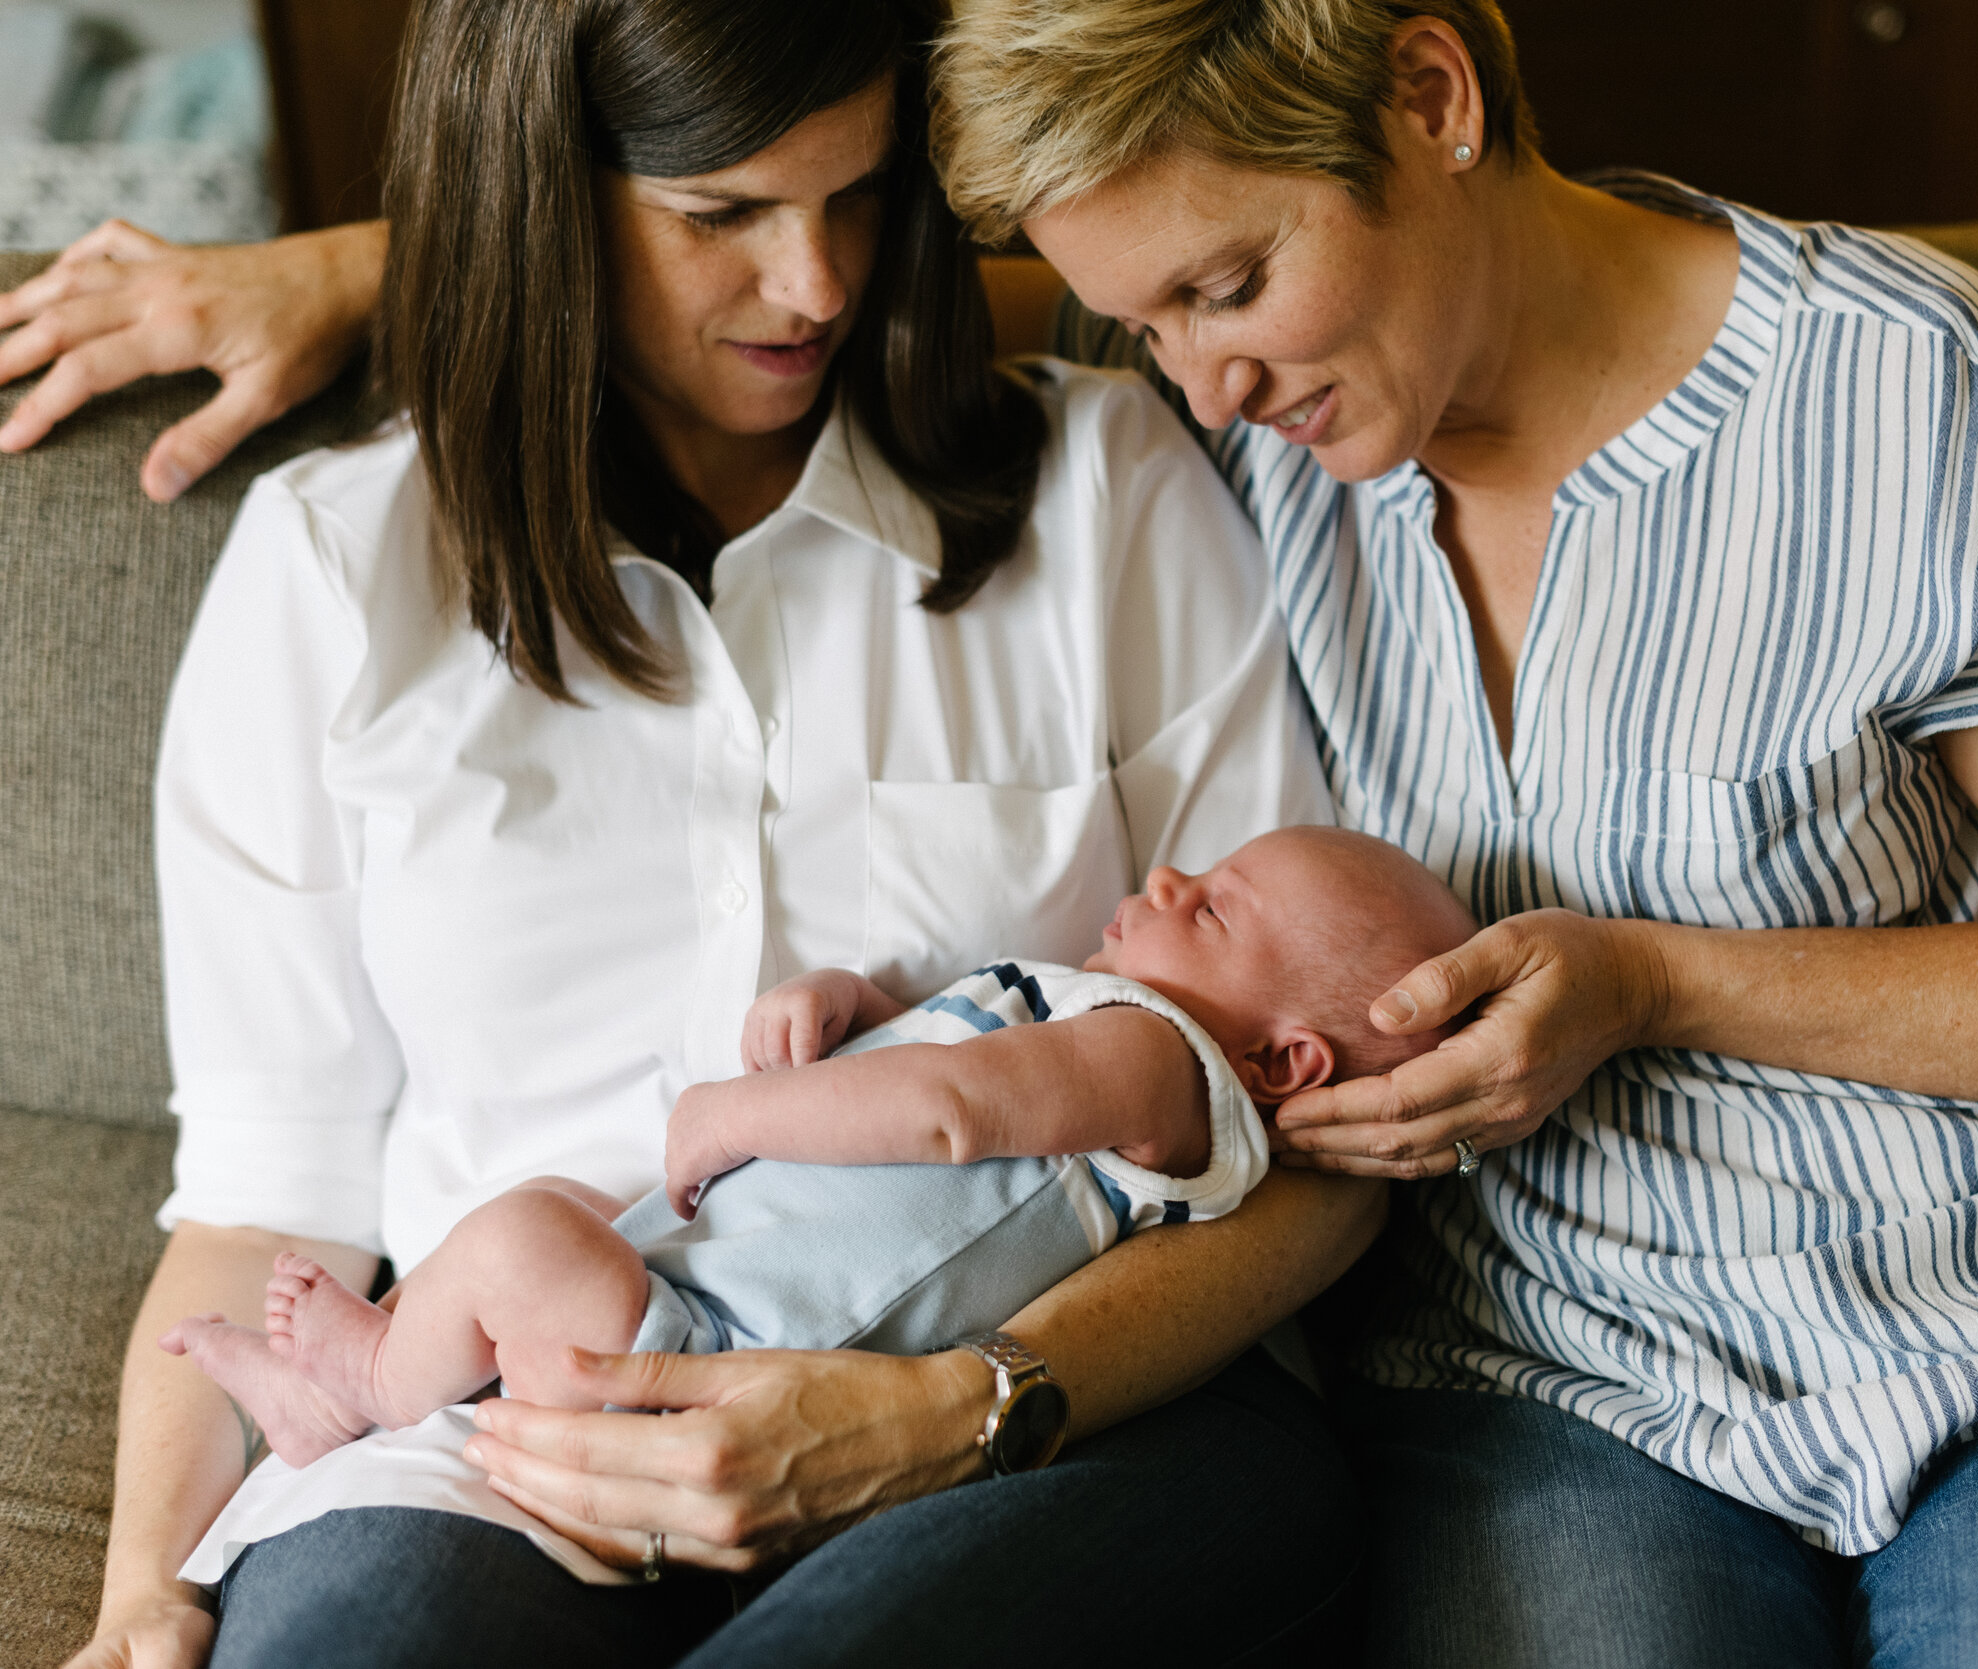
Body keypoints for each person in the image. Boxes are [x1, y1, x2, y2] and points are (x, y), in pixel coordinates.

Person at [0, 3, 1978, 1668]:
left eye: (1232, 287)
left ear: (1437, 95)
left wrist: (1655, 977)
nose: (1201, 366)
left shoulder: (1871, 402)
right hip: (1547, 1372)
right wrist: (377, 261)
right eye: (1144, 318)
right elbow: (773, 240)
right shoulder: (1229, 411)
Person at [16, 2, 1388, 1667]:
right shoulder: (332, 568)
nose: (815, 287)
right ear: (544, 199)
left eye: (860, 195)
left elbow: (1320, 1130)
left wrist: (962, 1405)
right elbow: (260, 1202)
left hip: (1045, 1400)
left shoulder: (1102, 490)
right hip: (507, 1433)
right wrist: (142, 1593)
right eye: (720, 214)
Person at [160, 828, 1472, 1479]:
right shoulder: (1099, 1022)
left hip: (719, 1369)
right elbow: (944, 1080)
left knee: (523, 1239)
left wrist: (736, 1112)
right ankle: (371, 1359)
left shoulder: (1160, 1060)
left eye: (1222, 905)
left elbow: (954, 1111)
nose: (1178, 876)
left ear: (1286, 1061)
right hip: (695, 1298)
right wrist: (845, 1009)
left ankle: (369, 1388)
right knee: (555, 1210)